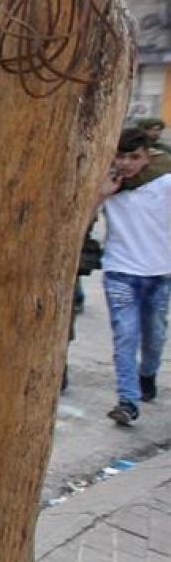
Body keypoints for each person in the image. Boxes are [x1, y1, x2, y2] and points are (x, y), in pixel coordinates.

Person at [96, 128, 171, 425]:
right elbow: (83, 220)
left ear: (146, 158)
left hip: (160, 274)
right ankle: (128, 400)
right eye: (121, 156)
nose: (126, 163)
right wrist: (102, 194)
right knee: (126, 336)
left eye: (134, 157)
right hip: (120, 272)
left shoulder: (164, 183)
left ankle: (147, 375)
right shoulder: (108, 185)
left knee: (154, 336)